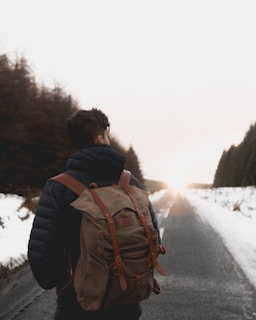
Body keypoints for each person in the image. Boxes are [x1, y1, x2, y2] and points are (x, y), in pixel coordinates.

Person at [28, 108, 160, 320]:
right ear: (101, 138)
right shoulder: (130, 183)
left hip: (78, 305)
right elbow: (153, 238)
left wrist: (66, 282)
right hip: (127, 303)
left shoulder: (58, 188)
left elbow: (41, 256)